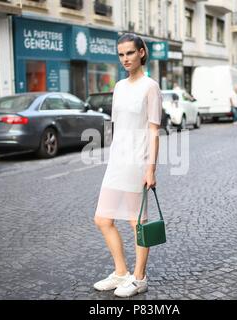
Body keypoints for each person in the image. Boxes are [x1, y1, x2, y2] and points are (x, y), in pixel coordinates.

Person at [93, 33, 162, 298]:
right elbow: (118, 127)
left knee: (137, 223)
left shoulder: (150, 87)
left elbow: (154, 130)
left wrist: (151, 169)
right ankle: (121, 272)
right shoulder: (119, 87)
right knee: (102, 218)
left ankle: (139, 277)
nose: (125, 59)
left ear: (142, 52)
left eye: (130, 53)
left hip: (138, 162)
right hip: (117, 161)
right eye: (121, 54)